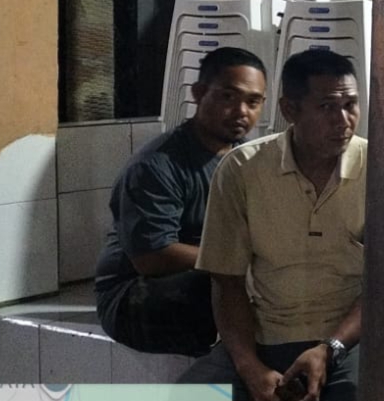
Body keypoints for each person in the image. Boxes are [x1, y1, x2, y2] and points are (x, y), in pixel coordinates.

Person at [190, 49, 384, 401]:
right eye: (326, 107)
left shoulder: (383, 168)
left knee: (364, 393)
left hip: (351, 339)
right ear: (290, 110)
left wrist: (329, 348)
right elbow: (226, 282)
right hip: (267, 336)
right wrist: (251, 368)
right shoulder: (242, 169)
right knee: (191, 394)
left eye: (351, 105)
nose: (343, 120)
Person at [94, 46, 267, 357]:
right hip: (135, 295)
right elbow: (152, 258)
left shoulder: (250, 158)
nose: (242, 111)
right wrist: (234, 261)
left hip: (212, 273)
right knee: (219, 287)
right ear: (199, 93)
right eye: (228, 97)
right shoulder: (156, 165)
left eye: (253, 102)